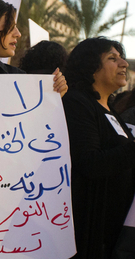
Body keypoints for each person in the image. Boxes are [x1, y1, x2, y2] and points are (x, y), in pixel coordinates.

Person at [62, 38, 134, 259]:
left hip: (110, 231)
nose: (124, 63)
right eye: (112, 58)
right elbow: (89, 162)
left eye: (121, 57)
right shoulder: (78, 103)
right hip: (87, 230)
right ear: (90, 67)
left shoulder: (110, 110)